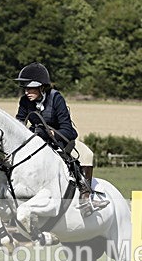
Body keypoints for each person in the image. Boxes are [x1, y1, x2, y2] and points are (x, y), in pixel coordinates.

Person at [14, 62, 108, 215]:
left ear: (42, 87)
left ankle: (85, 196)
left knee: (87, 154)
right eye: (25, 88)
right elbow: (19, 124)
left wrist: (48, 133)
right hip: (37, 142)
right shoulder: (25, 102)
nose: (26, 91)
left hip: (61, 140)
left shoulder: (56, 98)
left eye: (30, 87)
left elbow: (67, 129)